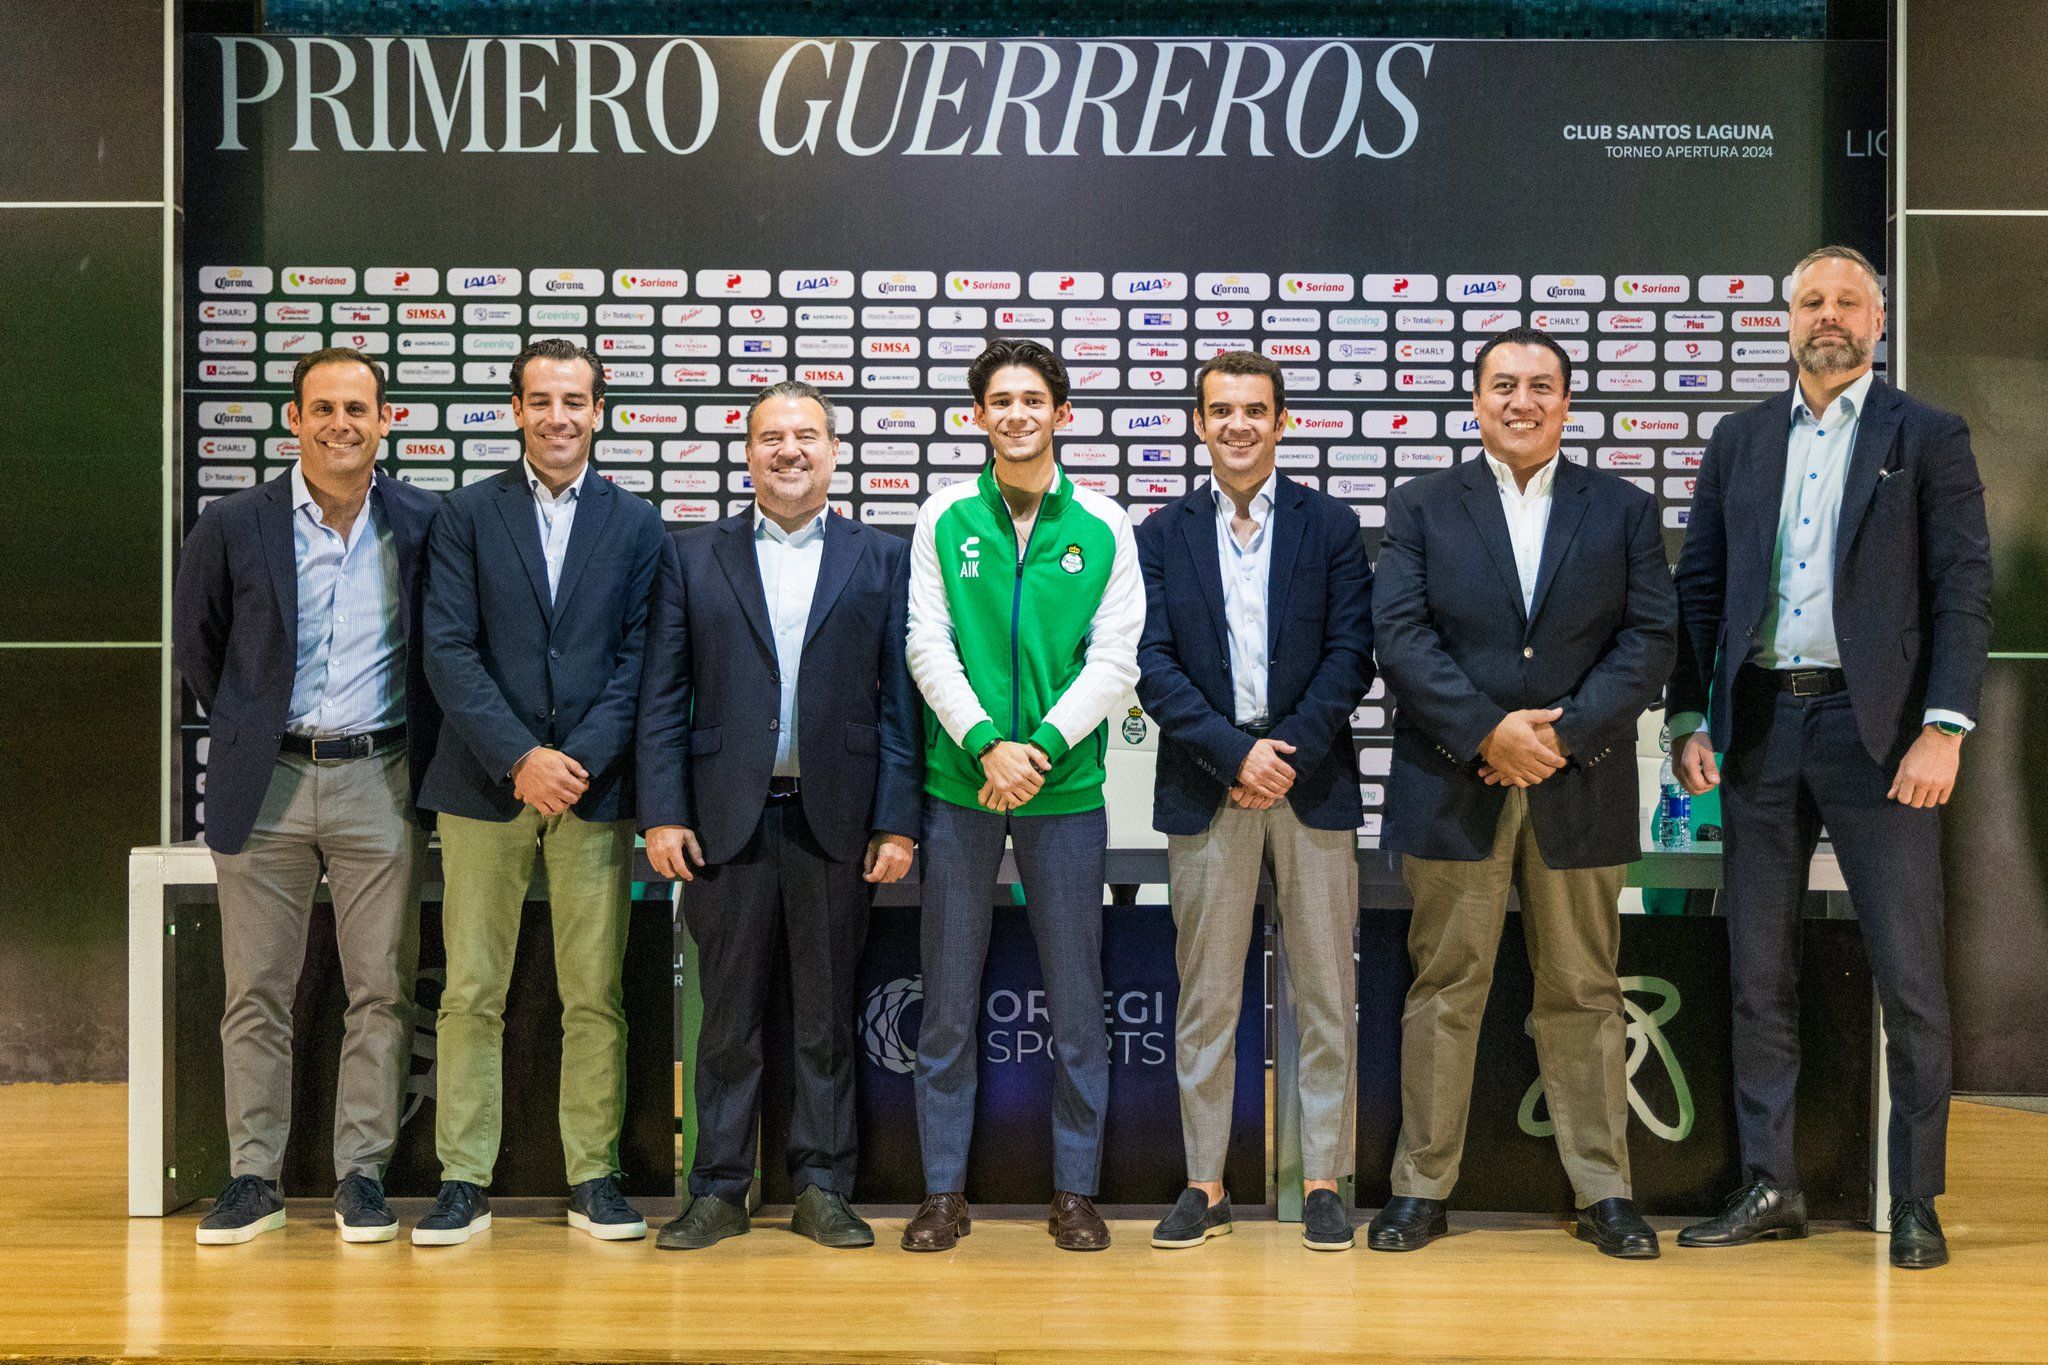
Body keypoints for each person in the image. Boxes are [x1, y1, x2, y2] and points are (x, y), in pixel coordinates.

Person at [1667, 245, 1992, 1270]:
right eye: (1809, 300)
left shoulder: (1925, 436)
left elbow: (1961, 588)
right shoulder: (1741, 438)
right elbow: (1700, 592)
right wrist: (1686, 719)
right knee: (1755, 968)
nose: (1827, 316)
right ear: (1786, 319)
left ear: (1876, 320)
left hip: (1882, 733)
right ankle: (1769, 1183)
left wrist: (1941, 726)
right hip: (1760, 728)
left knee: (1907, 976)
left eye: (1846, 300)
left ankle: (1912, 1200)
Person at [1366, 326, 1676, 1259]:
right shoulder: (1422, 503)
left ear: (1567, 403)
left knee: (1583, 989)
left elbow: (1650, 638)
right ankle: (1422, 1187)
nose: (1522, 401)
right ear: (1476, 400)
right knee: (1445, 987)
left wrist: (1558, 736)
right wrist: (1488, 732)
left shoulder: (1619, 506)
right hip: (1453, 784)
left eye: (1542, 386)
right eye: (1504, 384)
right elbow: (1402, 636)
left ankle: (1604, 1191)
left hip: (1577, 786)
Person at [636, 381, 922, 1250]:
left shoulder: (882, 557)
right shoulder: (692, 556)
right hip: (725, 820)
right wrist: (662, 811)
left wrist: (897, 819)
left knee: (827, 1017)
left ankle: (822, 1184)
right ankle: (719, 1187)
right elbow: (663, 694)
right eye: (770, 437)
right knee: (724, 1017)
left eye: (806, 436)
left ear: (834, 451)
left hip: (836, 819)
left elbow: (901, 703)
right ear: (748, 450)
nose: (788, 450)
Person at [172, 347, 440, 1244]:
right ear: (294, 420)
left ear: (385, 420)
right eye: (322, 408)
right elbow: (201, 649)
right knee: (256, 989)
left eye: (357, 409)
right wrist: (254, 730)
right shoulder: (233, 524)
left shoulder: (422, 522)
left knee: (381, 987)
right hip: (269, 779)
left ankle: (360, 1174)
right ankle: (254, 1175)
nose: (340, 425)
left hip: (380, 778)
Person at [411, 338, 666, 1246]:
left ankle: (594, 1173)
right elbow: (446, 647)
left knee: (594, 990)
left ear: (601, 411)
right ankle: (461, 1178)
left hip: (593, 791)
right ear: (515, 409)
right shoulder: (466, 516)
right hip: (485, 785)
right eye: (541, 400)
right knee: (471, 989)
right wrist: (521, 755)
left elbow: (642, 660)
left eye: (576, 400)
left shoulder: (638, 526)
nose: (559, 416)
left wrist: (575, 759)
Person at [900, 338, 1144, 1252]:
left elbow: (1114, 661)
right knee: (948, 1004)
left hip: (1065, 792)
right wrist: (981, 744)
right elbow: (929, 645)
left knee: (1079, 1003)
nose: (1015, 413)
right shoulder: (943, 518)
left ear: (1062, 413)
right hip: (960, 792)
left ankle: (1075, 1191)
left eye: (1032, 399)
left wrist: (1034, 748)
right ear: (978, 417)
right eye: (998, 400)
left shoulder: (1105, 526)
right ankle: (941, 1194)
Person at [1135, 351, 1375, 1252]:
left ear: (1282, 422)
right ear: (1199, 424)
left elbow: (1353, 652)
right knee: (1206, 1001)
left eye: (1255, 410)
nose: (1238, 425)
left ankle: (1321, 1177)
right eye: (1221, 411)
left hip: (1310, 785)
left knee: (1324, 993)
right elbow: (1149, 663)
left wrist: (1286, 753)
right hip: (1208, 781)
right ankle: (1205, 1182)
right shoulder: (1160, 534)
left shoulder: (1331, 526)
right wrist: (1235, 752)